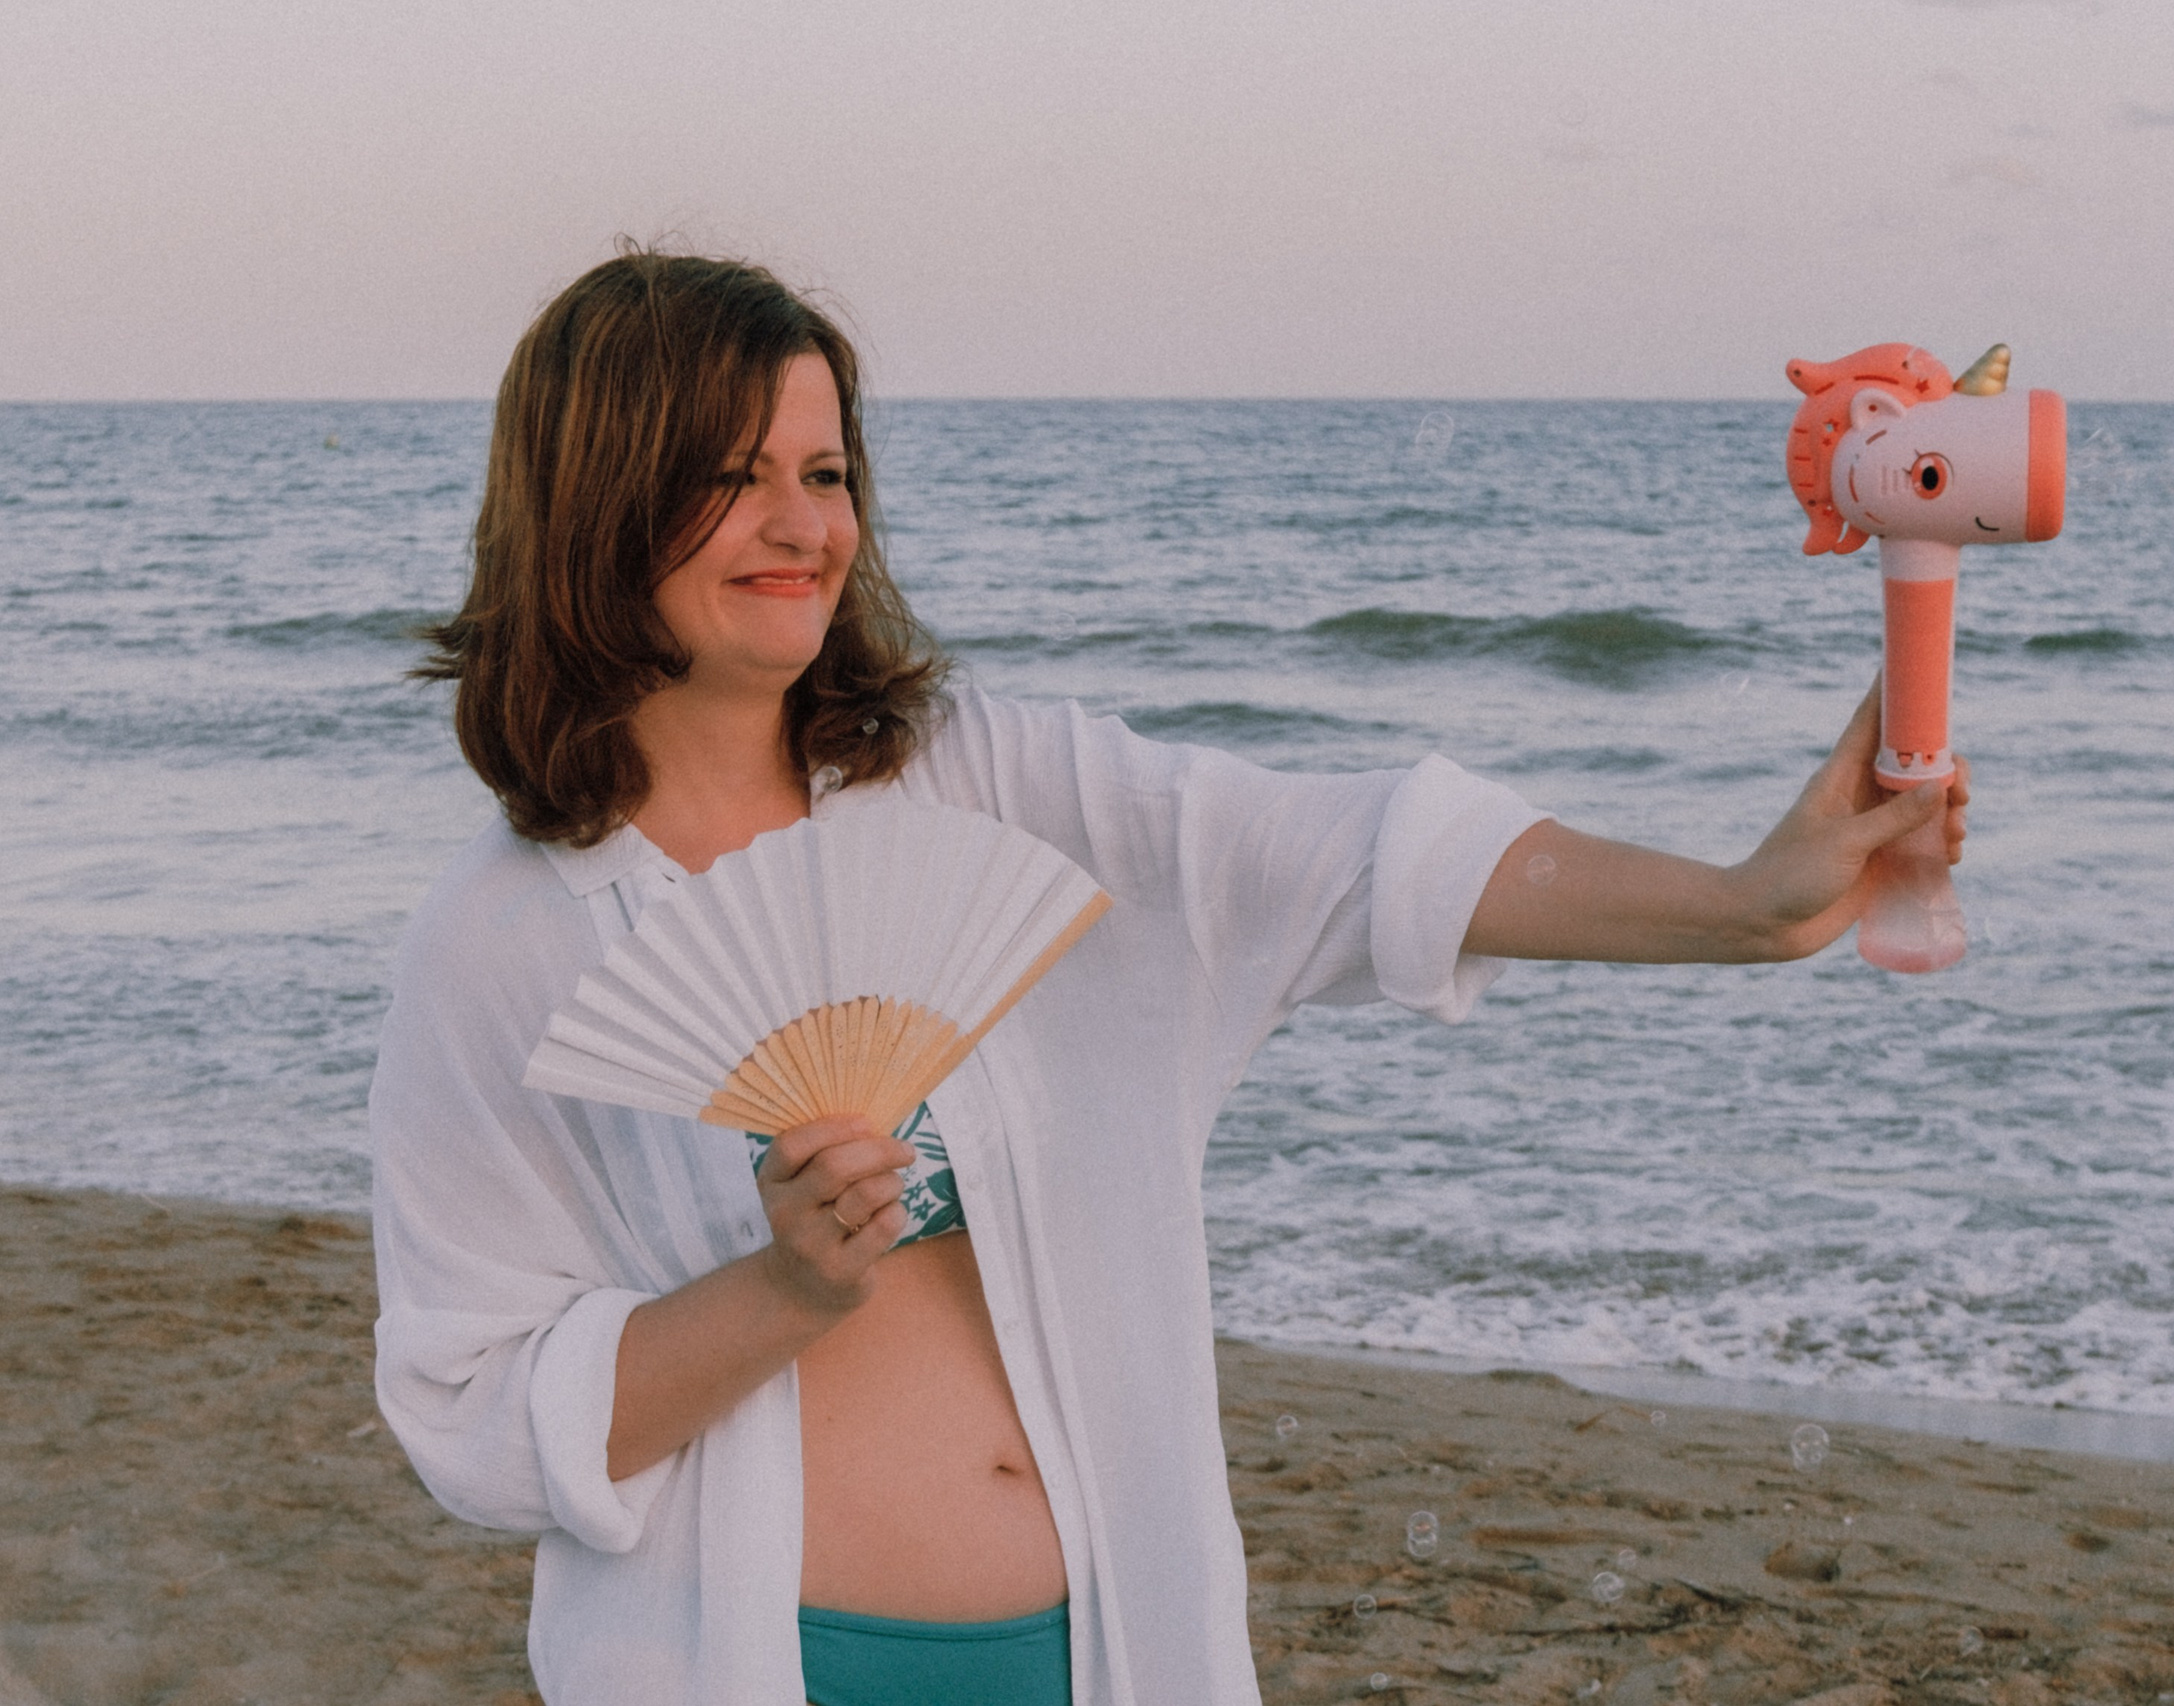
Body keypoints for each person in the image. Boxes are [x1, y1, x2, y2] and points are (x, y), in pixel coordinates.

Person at [371, 250, 1966, 1706]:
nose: (805, 527)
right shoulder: (503, 938)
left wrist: (1745, 901)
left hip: (1107, 1654)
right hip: (738, 1664)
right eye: (736, 479)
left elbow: (1335, 854)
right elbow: (477, 1414)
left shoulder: (986, 788)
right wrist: (782, 1285)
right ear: (600, 497)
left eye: (826, 471)